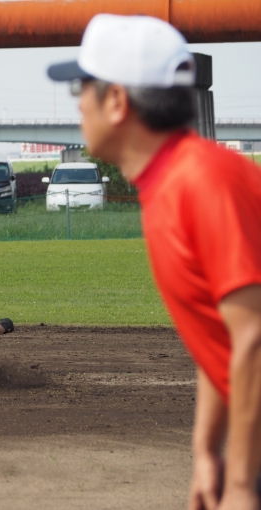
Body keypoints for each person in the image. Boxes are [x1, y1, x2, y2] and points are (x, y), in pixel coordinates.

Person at [48, 14, 261, 510]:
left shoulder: (203, 180)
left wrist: (241, 483)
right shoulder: (171, 182)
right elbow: (220, 337)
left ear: (117, 101)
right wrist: (206, 450)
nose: (77, 104)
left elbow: (253, 338)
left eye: (82, 87)